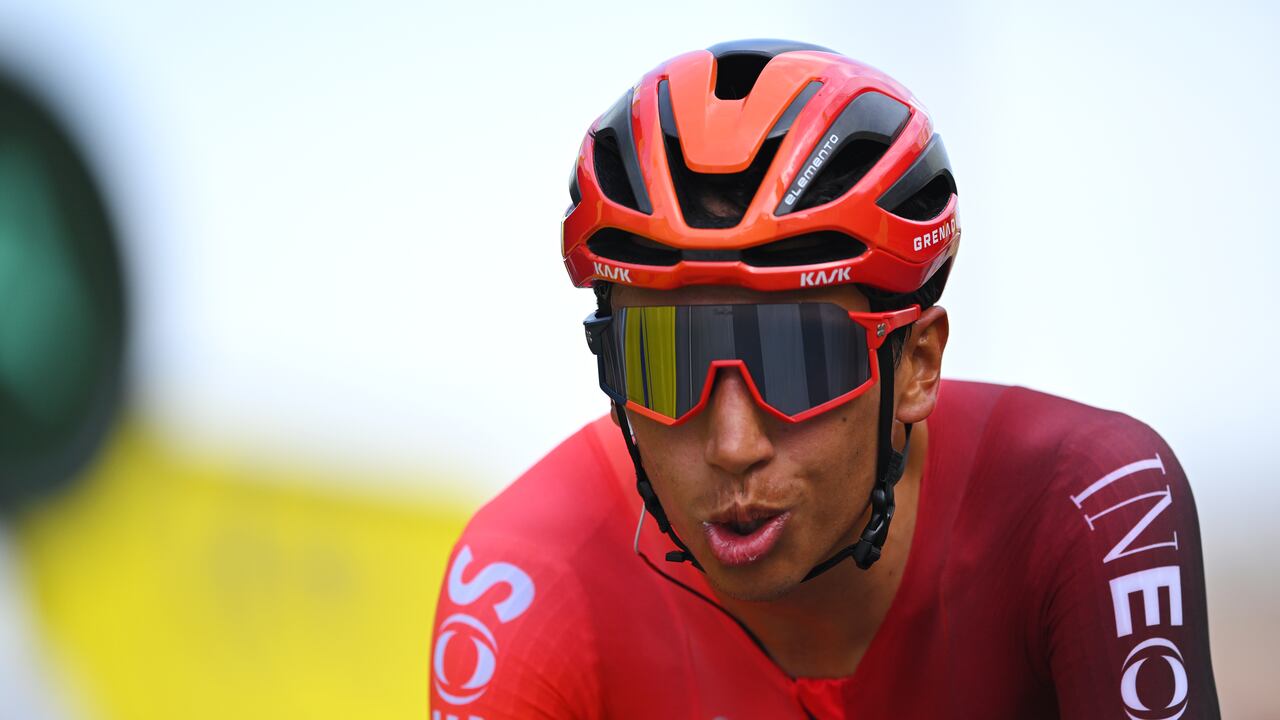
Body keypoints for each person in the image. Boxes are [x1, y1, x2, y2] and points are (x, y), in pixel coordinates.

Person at [429, 40, 1219, 719]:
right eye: (668, 365)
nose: (734, 445)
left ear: (916, 365)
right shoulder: (525, 573)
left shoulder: (1092, 501)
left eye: (797, 362)